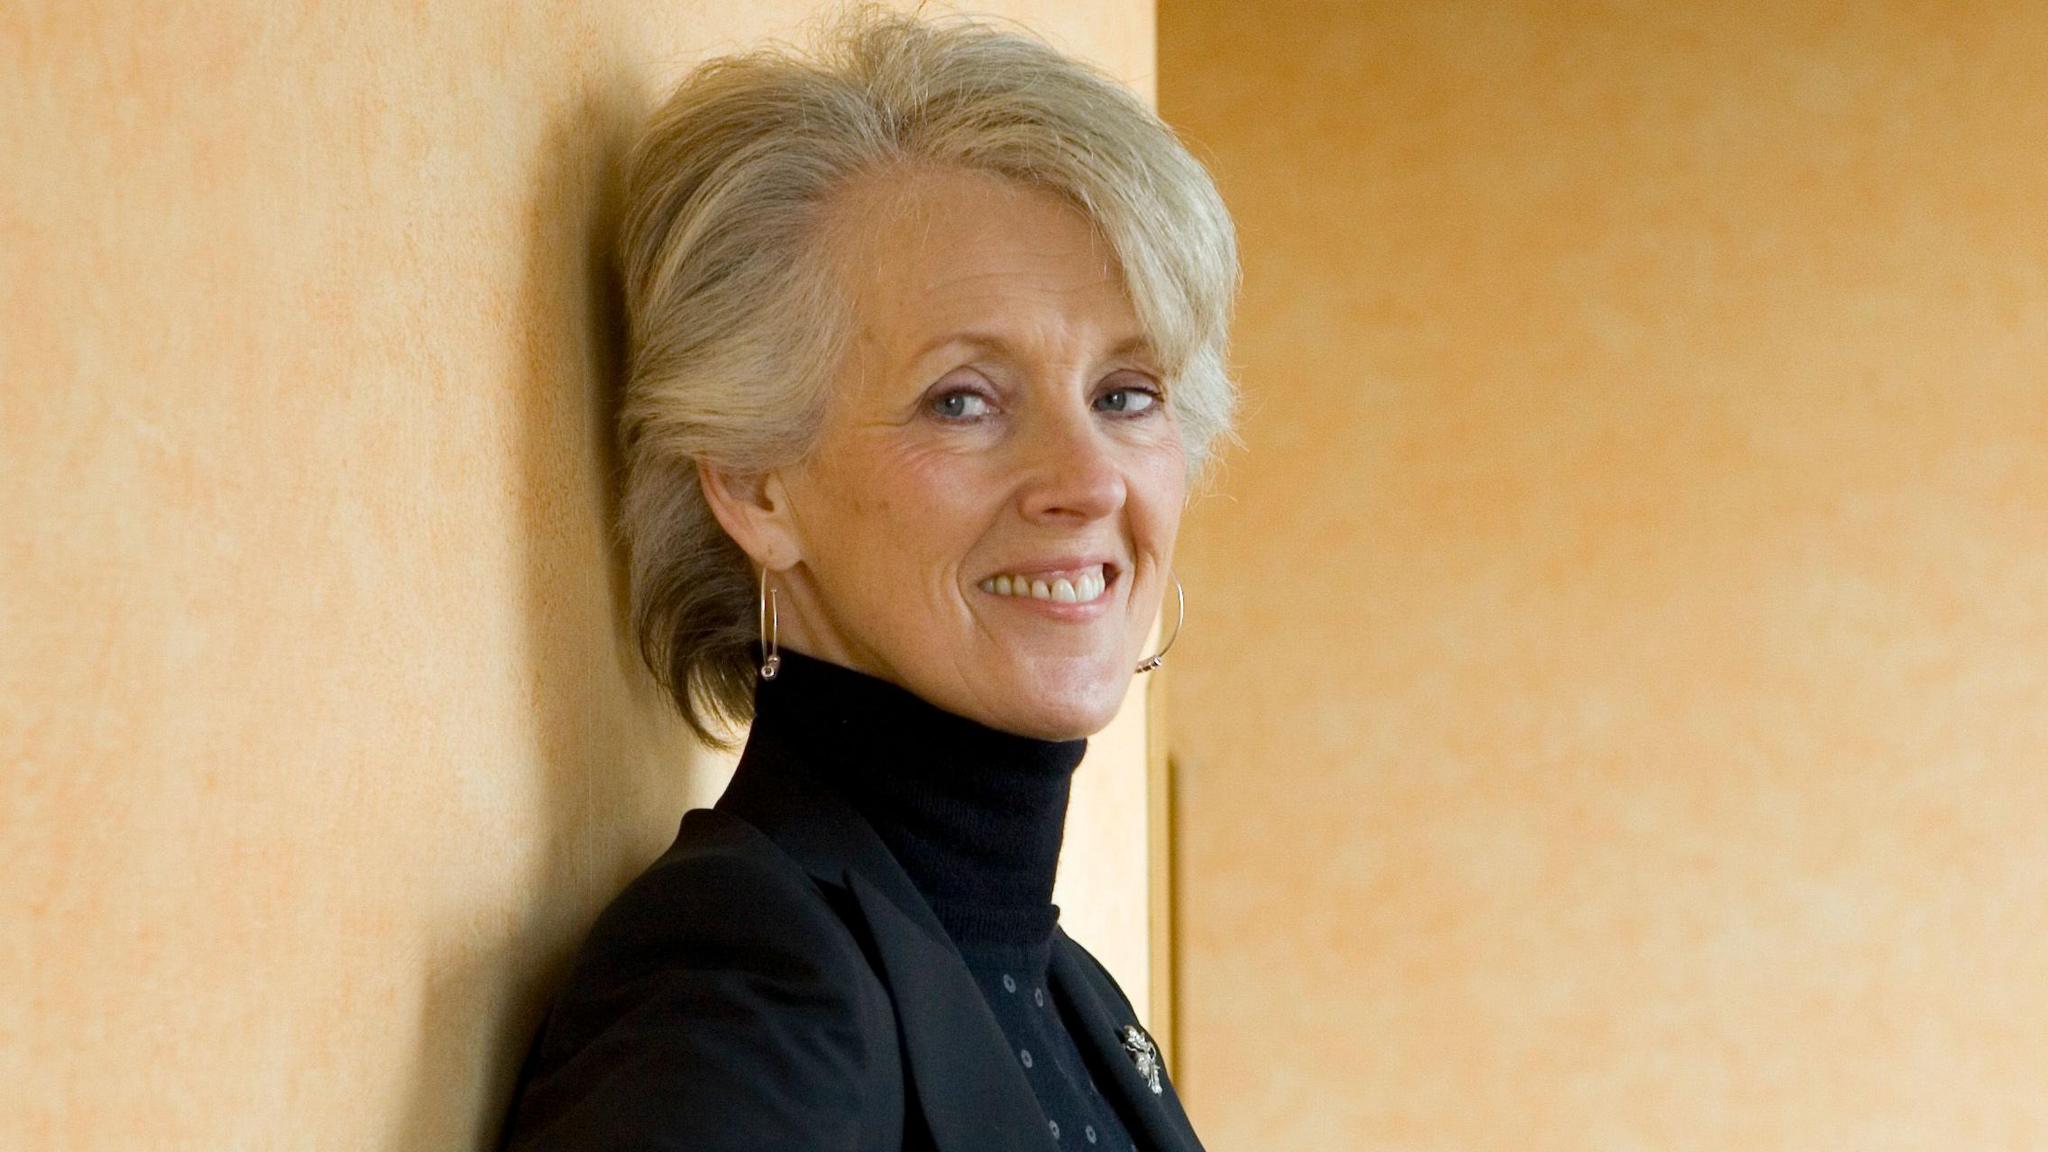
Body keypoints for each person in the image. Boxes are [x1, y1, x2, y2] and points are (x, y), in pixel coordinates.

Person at [498, 7, 1236, 1149]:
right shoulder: (740, 978)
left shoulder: (1073, 994)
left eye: (1125, 394)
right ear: (753, 483)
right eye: (963, 400)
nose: (1089, 480)